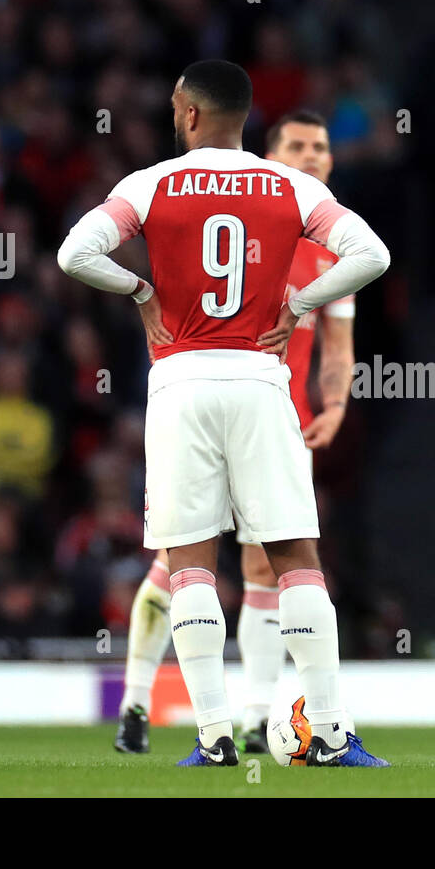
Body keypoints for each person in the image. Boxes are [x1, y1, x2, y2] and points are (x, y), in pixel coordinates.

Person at [58, 61, 389, 767]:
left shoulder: (149, 184)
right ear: (247, 119)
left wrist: (140, 290)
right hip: (263, 382)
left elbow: (74, 252)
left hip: (180, 380)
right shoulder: (292, 187)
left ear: (186, 112)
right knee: (295, 555)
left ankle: (212, 738)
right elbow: (372, 253)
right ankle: (329, 732)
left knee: (188, 564)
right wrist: (298, 305)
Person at [110, 110, 357, 755]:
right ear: (267, 159)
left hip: (272, 416)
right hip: (236, 399)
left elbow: (338, 346)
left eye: (321, 147)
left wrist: (335, 402)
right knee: (184, 558)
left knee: (247, 563)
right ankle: (137, 700)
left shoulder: (325, 245)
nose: (311, 156)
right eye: (297, 146)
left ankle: (245, 719)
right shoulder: (272, 222)